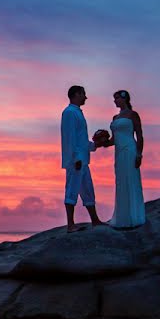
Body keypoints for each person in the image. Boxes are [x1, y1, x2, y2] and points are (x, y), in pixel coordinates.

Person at [98, 89, 146, 228]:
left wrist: (139, 154)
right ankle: (123, 216)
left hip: (130, 150)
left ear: (124, 99)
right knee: (121, 181)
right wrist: (103, 142)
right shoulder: (115, 118)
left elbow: (140, 135)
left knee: (131, 179)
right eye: (114, 98)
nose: (115, 101)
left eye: (117, 98)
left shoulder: (132, 115)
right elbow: (113, 139)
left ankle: (134, 216)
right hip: (119, 153)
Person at [61, 85, 102, 232]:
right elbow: (70, 138)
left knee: (87, 189)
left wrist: (94, 145)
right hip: (76, 160)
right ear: (76, 94)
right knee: (72, 190)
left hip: (83, 159)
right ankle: (70, 224)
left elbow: (81, 139)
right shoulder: (70, 113)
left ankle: (95, 220)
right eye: (83, 94)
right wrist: (75, 158)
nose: (85, 97)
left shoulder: (78, 113)